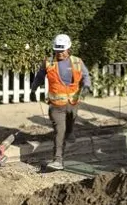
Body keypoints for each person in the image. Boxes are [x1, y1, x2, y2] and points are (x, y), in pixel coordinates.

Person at [32, 34, 91, 171]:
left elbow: (86, 75)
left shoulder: (77, 62)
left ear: (68, 49)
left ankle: (70, 132)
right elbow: (39, 77)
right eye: (57, 51)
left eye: (62, 51)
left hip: (72, 104)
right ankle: (57, 160)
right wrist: (33, 89)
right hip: (56, 106)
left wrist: (87, 86)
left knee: (69, 127)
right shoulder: (48, 62)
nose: (59, 54)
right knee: (60, 132)